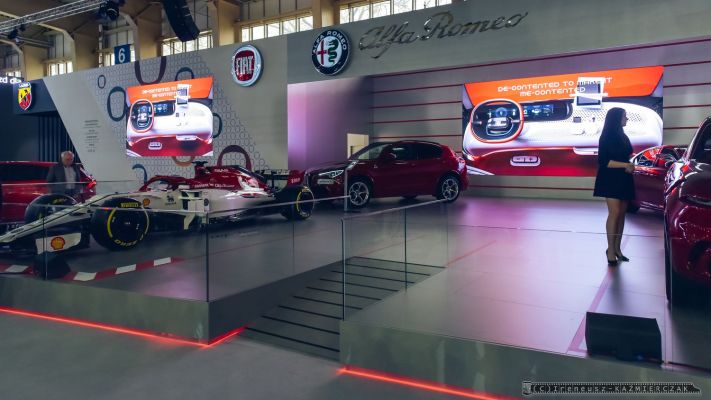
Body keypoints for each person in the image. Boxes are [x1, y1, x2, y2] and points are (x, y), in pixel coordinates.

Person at [593, 108, 636, 266]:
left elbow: (626, 155)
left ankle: (617, 248)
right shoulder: (606, 136)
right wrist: (625, 165)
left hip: (624, 178)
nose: (627, 118)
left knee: (622, 214)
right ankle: (610, 250)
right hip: (610, 178)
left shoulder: (623, 136)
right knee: (615, 212)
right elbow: (603, 161)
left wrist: (630, 165)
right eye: (625, 116)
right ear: (616, 118)